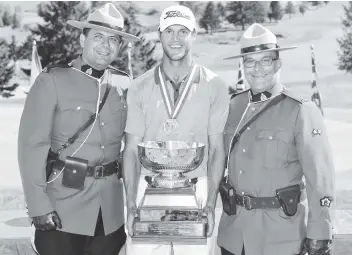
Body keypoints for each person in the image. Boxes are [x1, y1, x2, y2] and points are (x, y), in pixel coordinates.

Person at [18, 3, 139, 255]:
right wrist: (38, 206)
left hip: (109, 213)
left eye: (113, 39)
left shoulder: (124, 84)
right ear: (83, 38)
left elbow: (133, 145)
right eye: (98, 37)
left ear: (119, 46)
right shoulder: (52, 80)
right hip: (62, 209)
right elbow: (31, 147)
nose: (105, 45)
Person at [217, 23, 335, 255]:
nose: (257, 68)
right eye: (250, 61)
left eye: (266, 60)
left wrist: (320, 232)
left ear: (278, 63)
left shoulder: (301, 110)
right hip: (233, 235)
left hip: (279, 237)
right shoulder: (232, 106)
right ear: (243, 65)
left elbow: (319, 178)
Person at [123, 5, 229, 255]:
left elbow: (216, 150)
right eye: (169, 31)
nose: (176, 39)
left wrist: (211, 203)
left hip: (197, 188)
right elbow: (129, 150)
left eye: (183, 31)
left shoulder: (215, 86)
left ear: (195, 35)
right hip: (146, 188)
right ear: (159, 35)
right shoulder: (139, 87)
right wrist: (130, 204)